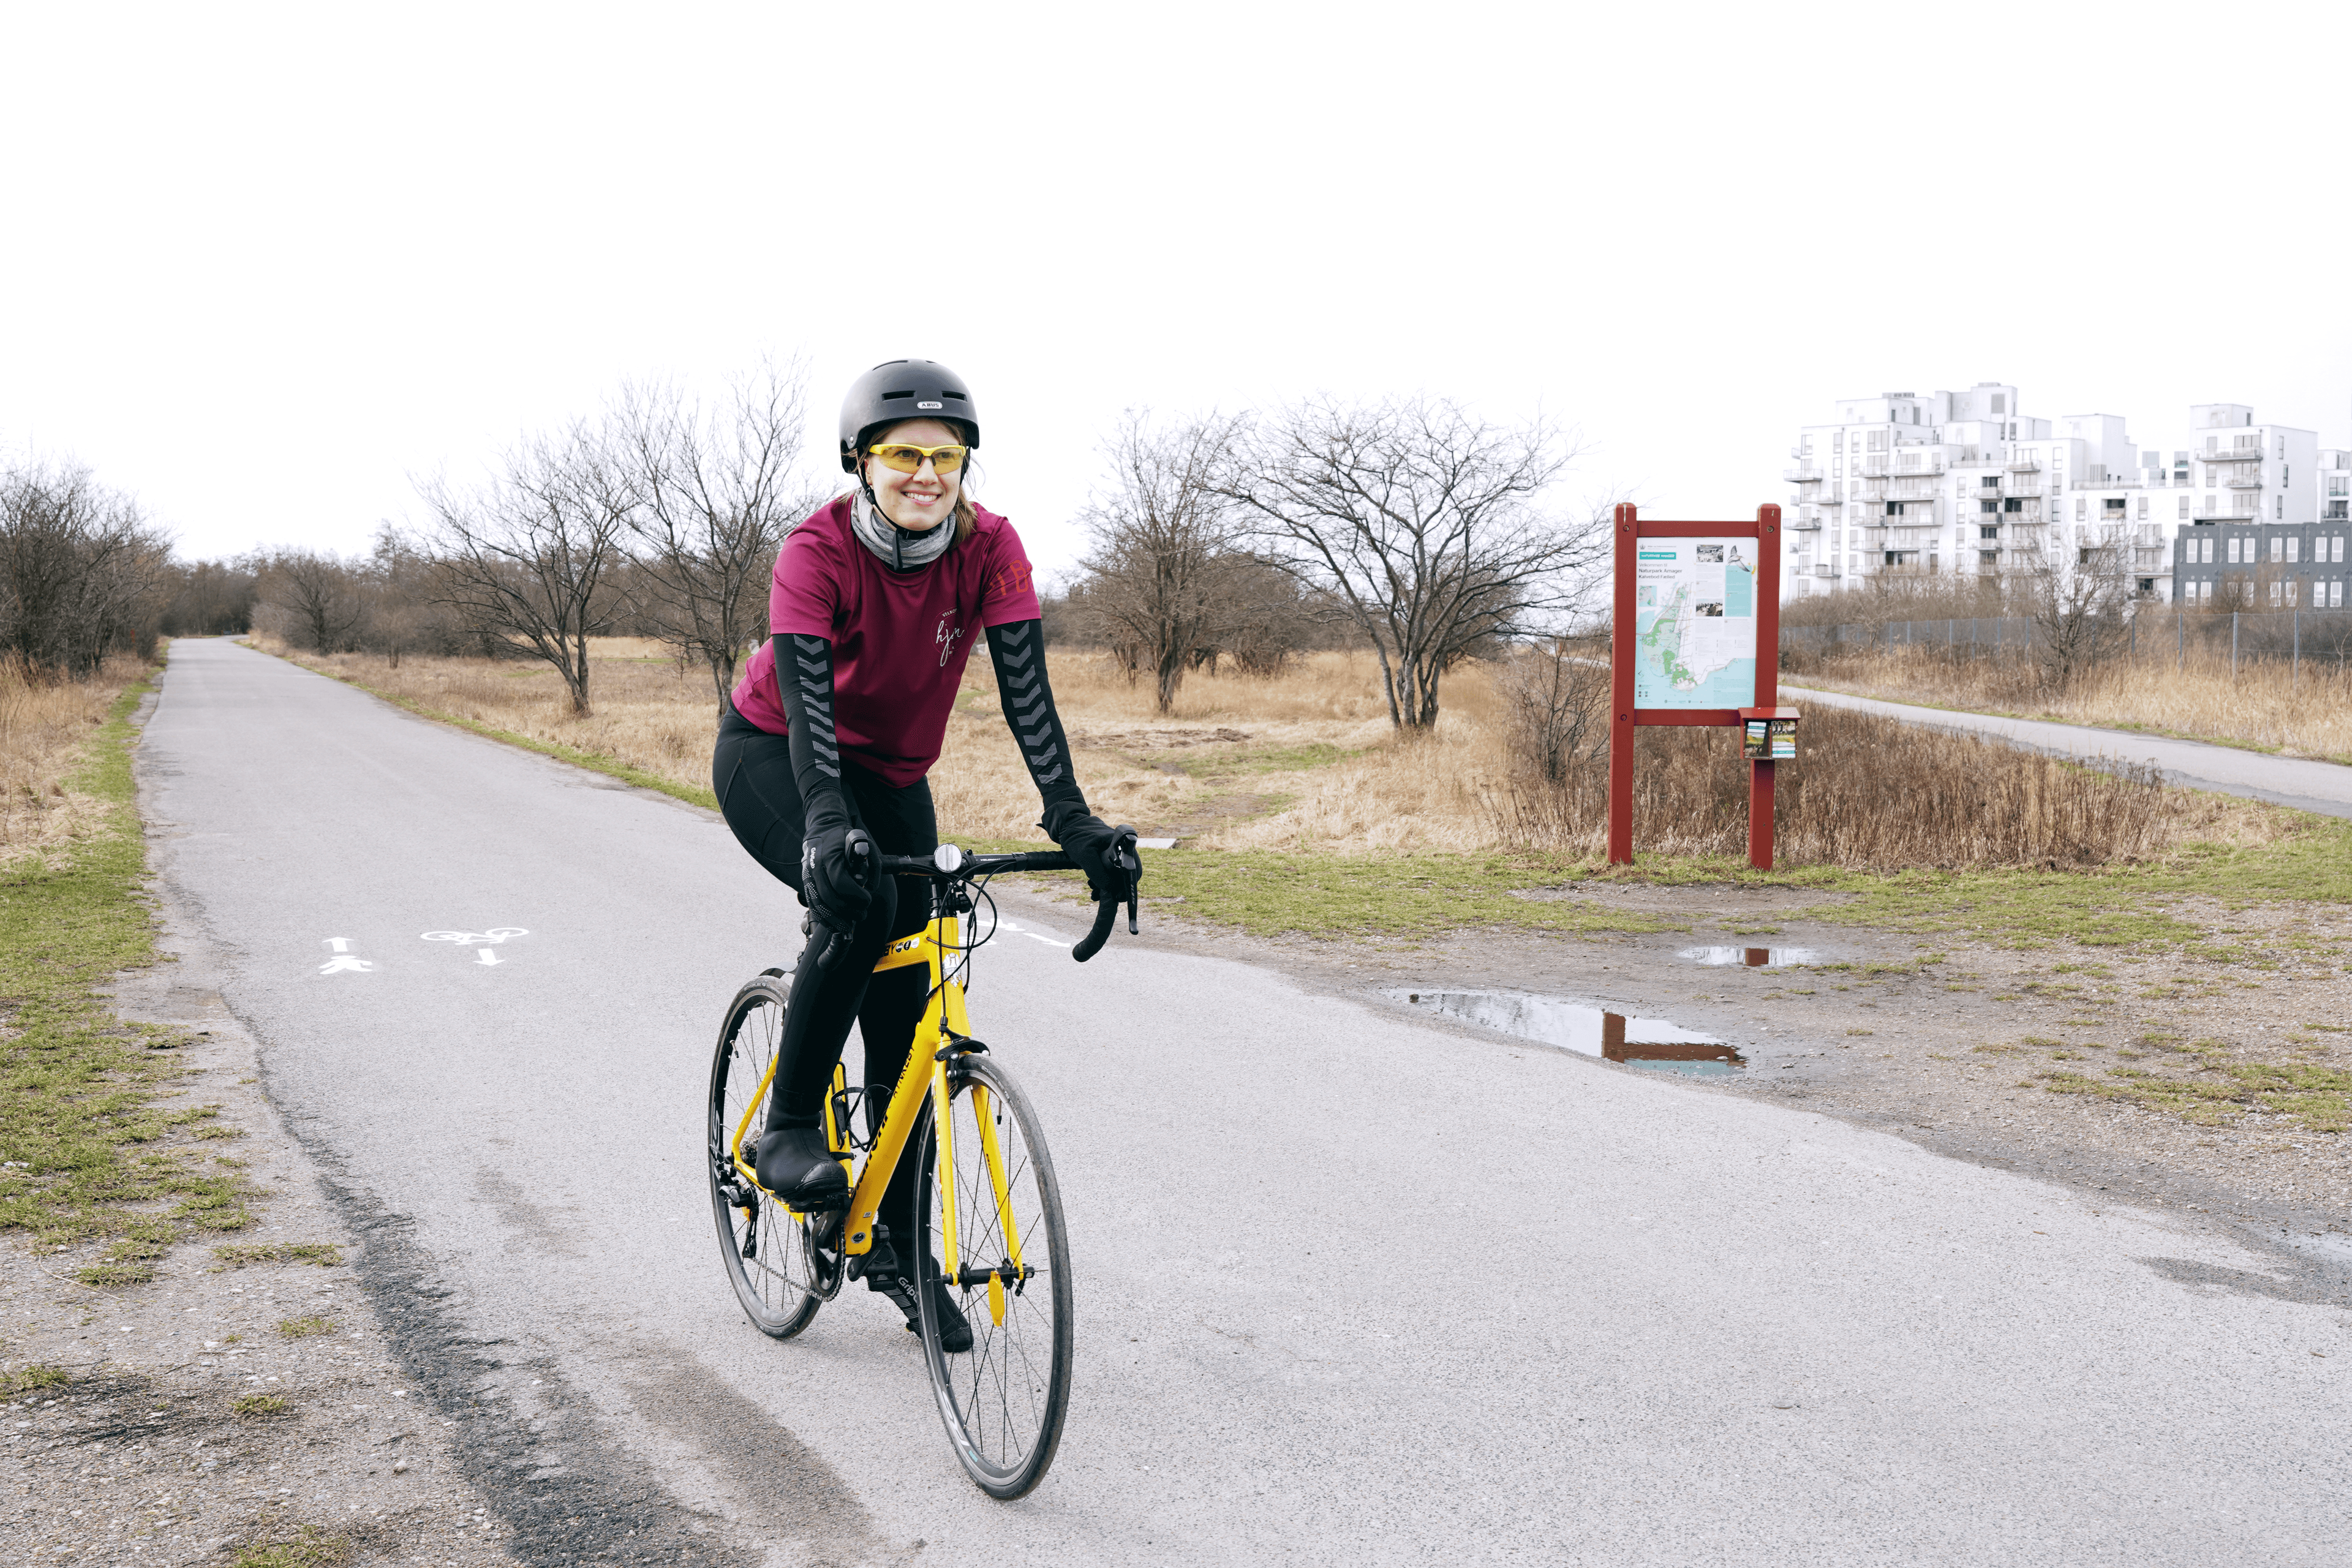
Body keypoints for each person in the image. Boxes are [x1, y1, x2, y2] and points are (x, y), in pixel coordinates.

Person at [711, 358, 1133, 1348]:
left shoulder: (991, 551)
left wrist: (1071, 820)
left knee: (916, 980)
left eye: (946, 457)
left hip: (895, 774)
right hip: (779, 752)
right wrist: (824, 824)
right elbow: (811, 708)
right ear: (861, 460)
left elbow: (1028, 694)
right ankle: (789, 1126)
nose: (925, 474)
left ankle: (894, 1237)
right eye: (903, 454)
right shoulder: (815, 551)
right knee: (859, 909)